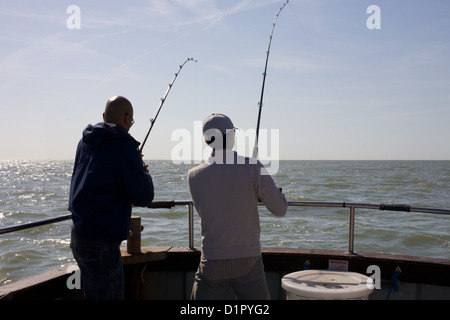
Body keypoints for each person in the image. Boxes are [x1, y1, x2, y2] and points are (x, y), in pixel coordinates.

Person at [188, 113, 288, 300]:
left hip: (212, 259)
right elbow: (280, 209)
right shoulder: (252, 167)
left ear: (207, 140)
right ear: (231, 137)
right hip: (248, 259)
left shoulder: (193, 175)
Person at [68, 96, 154, 300]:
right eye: (131, 121)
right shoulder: (124, 146)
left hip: (79, 233)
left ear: (104, 116)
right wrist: (143, 171)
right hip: (102, 242)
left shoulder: (85, 141)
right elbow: (144, 196)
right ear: (126, 118)